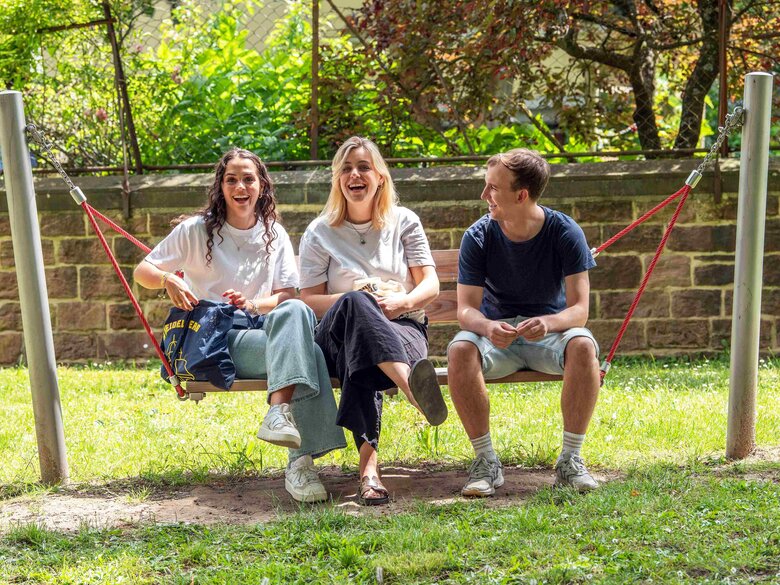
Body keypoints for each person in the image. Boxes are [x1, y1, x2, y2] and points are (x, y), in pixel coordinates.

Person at [134, 147, 346, 503]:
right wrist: (169, 279)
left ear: (261, 185)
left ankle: (278, 414)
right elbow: (143, 271)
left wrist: (251, 303)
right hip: (218, 340)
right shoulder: (196, 230)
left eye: (248, 178)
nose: (240, 186)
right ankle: (300, 465)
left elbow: (284, 296)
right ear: (221, 187)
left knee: (295, 312)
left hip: (264, 329)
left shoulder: (273, 233)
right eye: (231, 179)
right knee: (309, 353)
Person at [299, 136, 446, 506]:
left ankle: (369, 474)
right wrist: (358, 298)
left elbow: (430, 283)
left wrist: (402, 301)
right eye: (346, 168)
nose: (355, 175)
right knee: (356, 308)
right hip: (336, 334)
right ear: (337, 179)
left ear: (380, 176)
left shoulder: (404, 222)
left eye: (364, 167)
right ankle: (413, 390)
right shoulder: (319, 231)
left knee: (363, 348)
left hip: (402, 329)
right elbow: (309, 300)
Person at [447, 148, 601, 496]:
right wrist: (487, 327)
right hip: (496, 339)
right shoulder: (478, 235)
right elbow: (466, 311)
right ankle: (486, 462)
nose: (484, 196)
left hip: (548, 337)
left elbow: (579, 309)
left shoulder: (565, 232)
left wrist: (548, 323)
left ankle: (571, 460)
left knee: (583, 342)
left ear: (521, 195)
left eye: (492, 188)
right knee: (459, 348)